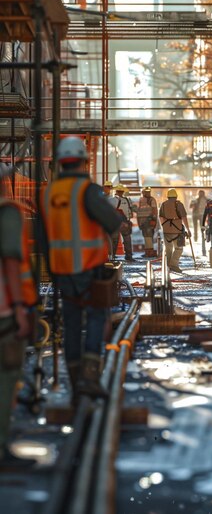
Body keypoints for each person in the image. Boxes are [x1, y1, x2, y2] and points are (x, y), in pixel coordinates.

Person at [40, 137, 122, 400]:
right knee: (97, 316)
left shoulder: (47, 194)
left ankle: (76, 384)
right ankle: (89, 376)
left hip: (62, 272)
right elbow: (111, 221)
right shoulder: (87, 190)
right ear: (84, 161)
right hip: (89, 268)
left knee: (72, 323)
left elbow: (42, 239)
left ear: (60, 163)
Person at [0, 164, 38, 468]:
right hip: (4, 310)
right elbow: (11, 263)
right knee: (5, 378)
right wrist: (20, 309)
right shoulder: (7, 213)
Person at [159, 188, 191, 273]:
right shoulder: (179, 204)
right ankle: (173, 265)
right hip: (177, 230)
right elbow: (184, 217)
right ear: (176, 196)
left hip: (167, 230)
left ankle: (168, 266)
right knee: (179, 248)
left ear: (168, 196)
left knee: (168, 249)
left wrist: (164, 226)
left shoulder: (164, 204)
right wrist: (188, 229)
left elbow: (160, 217)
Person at [109, 184, 134, 261]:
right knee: (127, 239)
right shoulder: (127, 200)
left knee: (114, 240)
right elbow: (130, 213)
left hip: (115, 221)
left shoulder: (111, 200)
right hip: (125, 222)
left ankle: (112, 256)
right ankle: (128, 256)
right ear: (122, 191)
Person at [136, 186, 158, 257]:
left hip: (149, 221)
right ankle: (148, 252)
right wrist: (139, 222)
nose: (147, 193)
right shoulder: (141, 200)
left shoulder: (152, 200)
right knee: (146, 237)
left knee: (148, 237)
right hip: (143, 222)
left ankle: (149, 253)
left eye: (148, 192)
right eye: (146, 192)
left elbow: (154, 211)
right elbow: (139, 211)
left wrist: (154, 220)